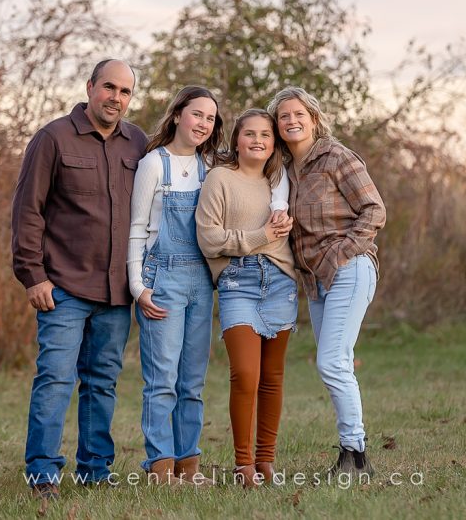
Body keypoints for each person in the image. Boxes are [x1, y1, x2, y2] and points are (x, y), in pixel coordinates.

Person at [128, 90, 289, 485]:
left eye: (210, 118)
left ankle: (189, 466)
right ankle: (160, 466)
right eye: (195, 114)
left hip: (203, 281)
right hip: (161, 278)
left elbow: (268, 179)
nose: (202, 123)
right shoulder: (153, 164)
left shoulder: (208, 165)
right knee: (162, 377)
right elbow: (136, 229)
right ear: (178, 115)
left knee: (192, 381)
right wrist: (137, 285)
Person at [11, 59, 147, 500]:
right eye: (109, 87)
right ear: (90, 86)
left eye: (125, 92)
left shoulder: (138, 144)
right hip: (64, 286)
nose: (116, 98)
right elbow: (27, 212)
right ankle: (43, 474)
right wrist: (33, 276)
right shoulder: (52, 139)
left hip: (116, 291)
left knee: (103, 381)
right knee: (55, 378)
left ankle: (95, 469)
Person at [267, 86, 386, 478]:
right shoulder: (283, 171)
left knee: (332, 362)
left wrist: (344, 252)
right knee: (336, 363)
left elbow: (374, 209)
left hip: (349, 268)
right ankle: (351, 454)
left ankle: (356, 456)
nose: (291, 121)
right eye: (284, 116)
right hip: (315, 282)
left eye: (298, 113)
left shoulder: (336, 157)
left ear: (314, 118)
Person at [196, 109, 297, 488]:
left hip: (281, 282)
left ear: (274, 145)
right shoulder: (220, 179)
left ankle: (266, 460)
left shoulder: (280, 183)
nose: (257, 140)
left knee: (272, 377)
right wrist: (260, 236)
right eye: (249, 134)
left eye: (266, 135)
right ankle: (244, 464)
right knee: (245, 375)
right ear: (236, 140)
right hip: (238, 282)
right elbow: (209, 239)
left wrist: (280, 230)